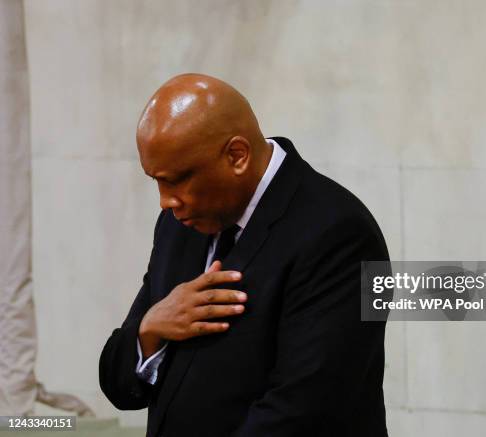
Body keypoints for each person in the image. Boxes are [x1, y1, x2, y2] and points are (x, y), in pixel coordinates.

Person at [99, 73, 390, 437]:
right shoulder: (179, 223)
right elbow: (117, 384)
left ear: (237, 156)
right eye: (155, 180)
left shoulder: (342, 233)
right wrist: (150, 329)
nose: (165, 201)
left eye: (176, 180)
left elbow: (305, 410)